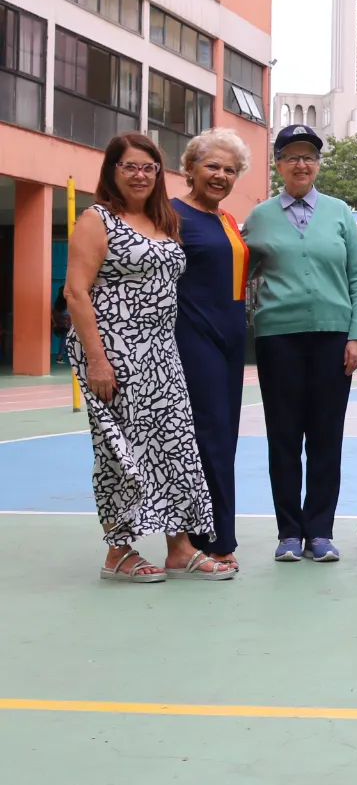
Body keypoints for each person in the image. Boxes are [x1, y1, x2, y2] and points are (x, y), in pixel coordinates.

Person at [65, 132, 231, 582]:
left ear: (159, 173)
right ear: (112, 171)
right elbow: (76, 292)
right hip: (114, 351)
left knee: (176, 445)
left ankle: (180, 548)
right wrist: (97, 360)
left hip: (161, 351)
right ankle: (118, 552)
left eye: (149, 167)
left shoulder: (163, 220)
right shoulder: (97, 219)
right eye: (130, 166)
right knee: (121, 452)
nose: (140, 175)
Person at [243, 124, 357, 563]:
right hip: (277, 338)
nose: (302, 164)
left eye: (309, 157)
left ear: (318, 165)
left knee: (325, 437)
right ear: (278, 164)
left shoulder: (339, 213)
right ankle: (288, 533)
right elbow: (238, 271)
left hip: (334, 339)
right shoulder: (260, 216)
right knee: (282, 436)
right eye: (292, 157)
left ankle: (319, 531)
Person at [172, 128, 252, 571]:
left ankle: (210, 535)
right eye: (212, 166)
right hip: (192, 336)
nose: (221, 175)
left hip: (231, 341)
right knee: (209, 436)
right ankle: (212, 541)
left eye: (230, 169)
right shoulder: (171, 215)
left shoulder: (228, 220)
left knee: (225, 436)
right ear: (190, 168)